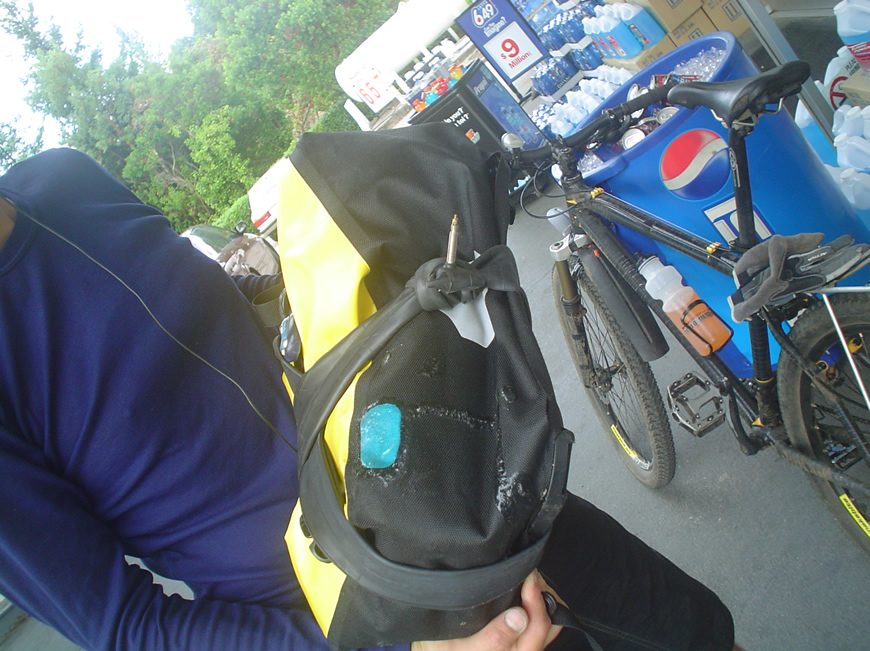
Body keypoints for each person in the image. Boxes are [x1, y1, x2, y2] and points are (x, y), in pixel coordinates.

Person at [0, 148, 736, 650]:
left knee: (696, 632)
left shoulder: (66, 180)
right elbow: (124, 626)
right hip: (349, 612)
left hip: (461, 492)